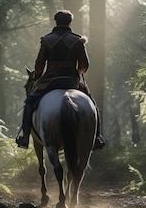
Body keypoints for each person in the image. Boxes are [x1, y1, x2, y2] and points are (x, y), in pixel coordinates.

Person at [15, 10, 106, 150]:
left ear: (56, 22)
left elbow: (39, 67)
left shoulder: (46, 40)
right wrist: (77, 72)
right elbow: (84, 66)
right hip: (72, 80)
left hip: (50, 81)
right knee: (92, 104)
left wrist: (39, 75)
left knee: (29, 103)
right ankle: (96, 137)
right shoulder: (78, 40)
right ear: (70, 22)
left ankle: (25, 136)